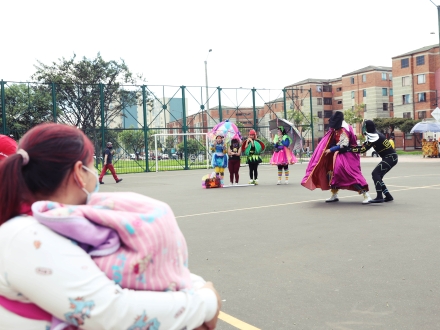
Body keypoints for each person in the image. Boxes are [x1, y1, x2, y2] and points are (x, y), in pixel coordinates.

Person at [0, 123, 220, 330]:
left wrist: (193, 283)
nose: (95, 174)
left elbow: (128, 268)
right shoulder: (24, 235)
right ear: (79, 173)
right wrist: (207, 302)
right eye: (91, 166)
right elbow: (111, 311)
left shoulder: (66, 223)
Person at [301, 111, 371, 204]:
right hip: (338, 155)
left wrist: (331, 149)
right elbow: (333, 140)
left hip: (347, 155)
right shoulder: (336, 129)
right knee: (332, 173)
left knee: (350, 174)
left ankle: (366, 195)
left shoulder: (345, 129)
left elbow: (344, 145)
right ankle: (334, 194)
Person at [347, 120, 398, 203]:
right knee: (378, 176)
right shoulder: (375, 135)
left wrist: (349, 149)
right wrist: (352, 148)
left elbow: (363, 150)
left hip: (390, 158)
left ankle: (379, 196)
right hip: (390, 158)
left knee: (375, 174)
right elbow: (364, 146)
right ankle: (388, 196)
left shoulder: (374, 137)